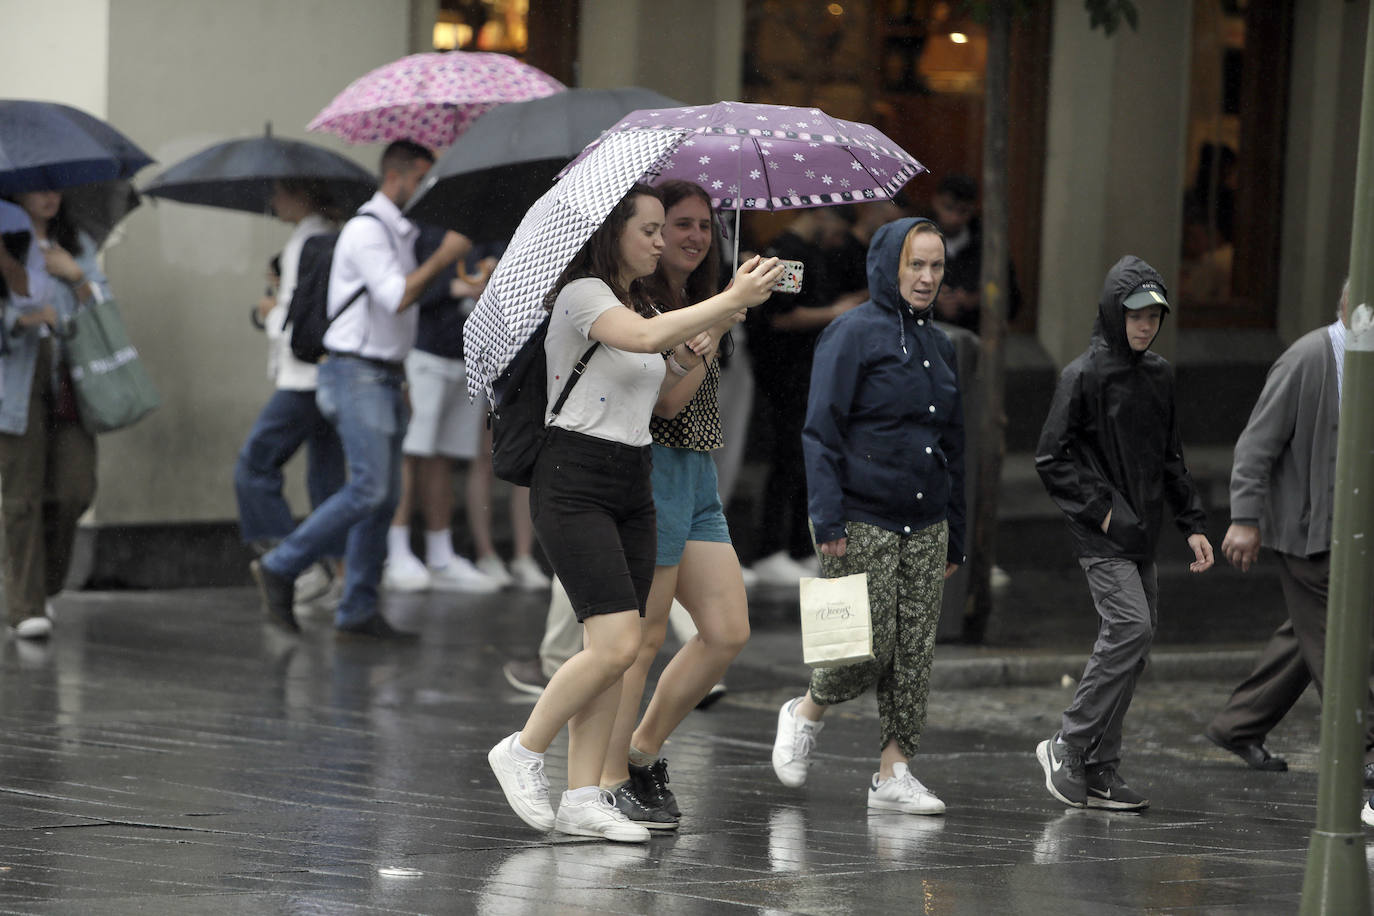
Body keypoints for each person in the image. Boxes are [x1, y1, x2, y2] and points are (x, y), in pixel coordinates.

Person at [486, 183, 781, 843]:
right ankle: (525, 749)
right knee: (619, 643)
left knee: (613, 653)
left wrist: (716, 330)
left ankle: (584, 794)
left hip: (632, 474)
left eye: (661, 230)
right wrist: (728, 297)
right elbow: (644, 338)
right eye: (649, 230)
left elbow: (670, 400)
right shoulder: (582, 295)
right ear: (613, 233)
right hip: (574, 477)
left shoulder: (644, 300)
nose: (660, 241)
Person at [769, 216, 965, 816]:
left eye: (935, 266)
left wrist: (956, 530)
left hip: (926, 518)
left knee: (913, 651)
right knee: (862, 647)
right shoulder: (851, 333)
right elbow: (820, 433)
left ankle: (894, 772)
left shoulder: (942, 344)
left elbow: (953, 443)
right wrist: (826, 521)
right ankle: (806, 711)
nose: (927, 278)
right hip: (859, 513)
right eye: (915, 265)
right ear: (888, 266)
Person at [249, 141, 469, 639]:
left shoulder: (398, 231)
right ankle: (282, 564)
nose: (430, 190)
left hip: (383, 373)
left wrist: (403, 374)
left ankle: (358, 608)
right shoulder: (368, 230)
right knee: (370, 486)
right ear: (401, 176)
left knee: (384, 496)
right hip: (355, 374)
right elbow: (396, 297)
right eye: (425, 179)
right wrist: (446, 256)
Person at [596, 180, 752, 828]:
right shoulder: (645, 305)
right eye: (675, 225)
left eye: (701, 227)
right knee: (645, 637)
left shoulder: (699, 301)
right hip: (654, 470)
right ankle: (606, 780)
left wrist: (722, 309)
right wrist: (713, 324)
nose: (689, 237)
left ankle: (641, 750)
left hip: (698, 477)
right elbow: (665, 403)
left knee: (726, 631)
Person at [1033, 256, 1214, 811]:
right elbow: (1051, 457)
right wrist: (1102, 511)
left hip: (1144, 533)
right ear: (1115, 313)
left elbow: (1170, 456)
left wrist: (1193, 525)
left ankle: (1101, 768)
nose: (1145, 325)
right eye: (1135, 315)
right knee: (1131, 628)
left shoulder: (1159, 375)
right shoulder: (1081, 376)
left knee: (1137, 645)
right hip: (1103, 535)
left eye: (1154, 316)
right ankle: (1067, 743)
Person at [1206, 280, 1374, 781]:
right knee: (1339, 639)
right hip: (1308, 534)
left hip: (1351, 533)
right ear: (1349, 307)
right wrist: (1244, 518)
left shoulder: (1366, 357)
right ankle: (1368, 746)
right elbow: (1257, 443)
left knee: (1308, 637)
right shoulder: (1308, 358)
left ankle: (1238, 724)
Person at [234, 180, 346, 607]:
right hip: (329, 374)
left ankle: (292, 560)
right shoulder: (327, 237)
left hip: (303, 378)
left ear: (306, 195)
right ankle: (339, 578)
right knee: (327, 481)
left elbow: (301, 318)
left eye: (282, 191)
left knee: (254, 465)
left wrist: (270, 311)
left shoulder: (308, 242)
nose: (273, 199)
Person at [0, 192, 102, 640]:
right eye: (37, 186)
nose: (50, 195)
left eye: (56, 185)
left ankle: (42, 585)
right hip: (17, 381)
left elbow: (103, 309)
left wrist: (76, 277)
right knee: (21, 497)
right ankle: (25, 606)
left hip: (71, 380)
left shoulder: (74, 243)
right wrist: (16, 319)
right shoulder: (5, 240)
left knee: (74, 491)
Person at [745, 206, 866, 586]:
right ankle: (770, 548)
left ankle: (798, 546)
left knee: (806, 460)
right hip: (786, 376)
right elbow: (780, 317)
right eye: (836, 230)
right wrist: (837, 311)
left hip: (808, 372)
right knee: (788, 459)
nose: (838, 241)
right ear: (823, 215)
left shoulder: (809, 253)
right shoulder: (787, 253)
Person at [381, 227, 501, 595]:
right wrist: (453, 286)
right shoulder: (426, 231)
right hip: (425, 352)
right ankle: (396, 552)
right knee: (412, 453)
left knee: (445, 457)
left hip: (467, 356)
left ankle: (440, 553)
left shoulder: (489, 232)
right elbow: (404, 292)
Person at [922, 173, 1021, 334]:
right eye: (948, 208)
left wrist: (976, 299)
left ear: (973, 208)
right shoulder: (915, 238)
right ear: (935, 202)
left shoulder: (988, 244)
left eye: (963, 211)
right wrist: (929, 299)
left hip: (973, 335)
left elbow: (1011, 297)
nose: (954, 218)